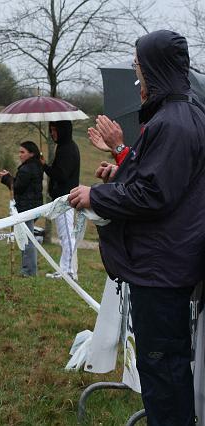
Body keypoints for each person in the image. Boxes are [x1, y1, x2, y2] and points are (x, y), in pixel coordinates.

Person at [69, 30, 205, 425]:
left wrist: (96, 196)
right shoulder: (188, 114)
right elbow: (170, 180)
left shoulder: (174, 123)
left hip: (162, 268)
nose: (137, 75)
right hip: (169, 263)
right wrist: (122, 169)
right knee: (166, 366)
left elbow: (154, 195)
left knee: (163, 370)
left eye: (138, 67)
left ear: (155, 68)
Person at [0, 141, 43, 277]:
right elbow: (20, 183)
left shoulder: (27, 168)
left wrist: (6, 178)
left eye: (23, 152)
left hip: (27, 207)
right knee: (25, 237)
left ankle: (29, 271)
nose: (20, 155)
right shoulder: (34, 166)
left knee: (27, 239)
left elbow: (17, 187)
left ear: (31, 153)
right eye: (19, 152)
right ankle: (28, 269)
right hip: (31, 206)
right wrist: (9, 177)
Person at [41, 120, 80, 280]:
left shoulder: (68, 149)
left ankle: (69, 271)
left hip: (65, 198)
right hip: (62, 197)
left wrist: (45, 167)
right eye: (51, 130)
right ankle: (65, 269)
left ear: (63, 130)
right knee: (65, 235)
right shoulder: (64, 147)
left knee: (67, 235)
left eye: (55, 130)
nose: (52, 133)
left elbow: (61, 175)